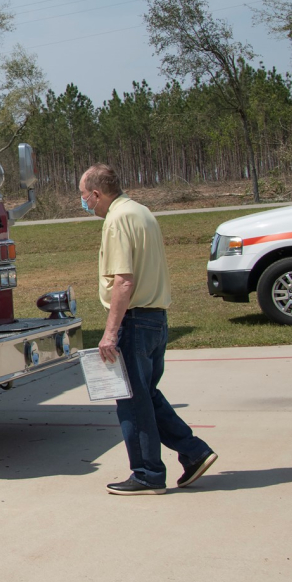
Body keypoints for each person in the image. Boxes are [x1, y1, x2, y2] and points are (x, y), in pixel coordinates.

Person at [79, 163, 217, 495]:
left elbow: (123, 281)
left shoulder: (116, 220)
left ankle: (147, 473)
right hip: (156, 319)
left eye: (84, 197)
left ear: (97, 194)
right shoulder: (141, 212)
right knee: (147, 395)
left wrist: (110, 332)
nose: (84, 203)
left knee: (131, 401)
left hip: (134, 321)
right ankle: (194, 452)